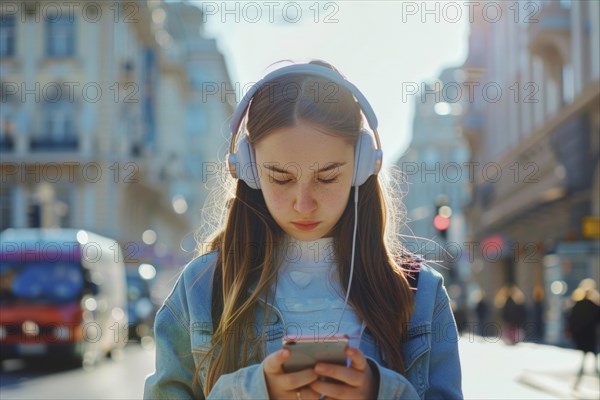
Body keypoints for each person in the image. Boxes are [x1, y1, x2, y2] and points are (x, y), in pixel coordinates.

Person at [143, 60, 463, 399]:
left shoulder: (422, 295)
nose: (304, 203)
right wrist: (254, 392)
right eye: (281, 178)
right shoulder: (201, 289)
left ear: (363, 166)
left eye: (327, 177)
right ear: (248, 170)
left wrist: (379, 392)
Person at [567, 279, 600, 389]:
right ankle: (582, 378)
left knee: (586, 356)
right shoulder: (593, 305)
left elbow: (571, 320)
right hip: (590, 335)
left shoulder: (577, 305)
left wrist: (573, 332)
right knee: (592, 356)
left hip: (582, 335)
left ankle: (578, 379)